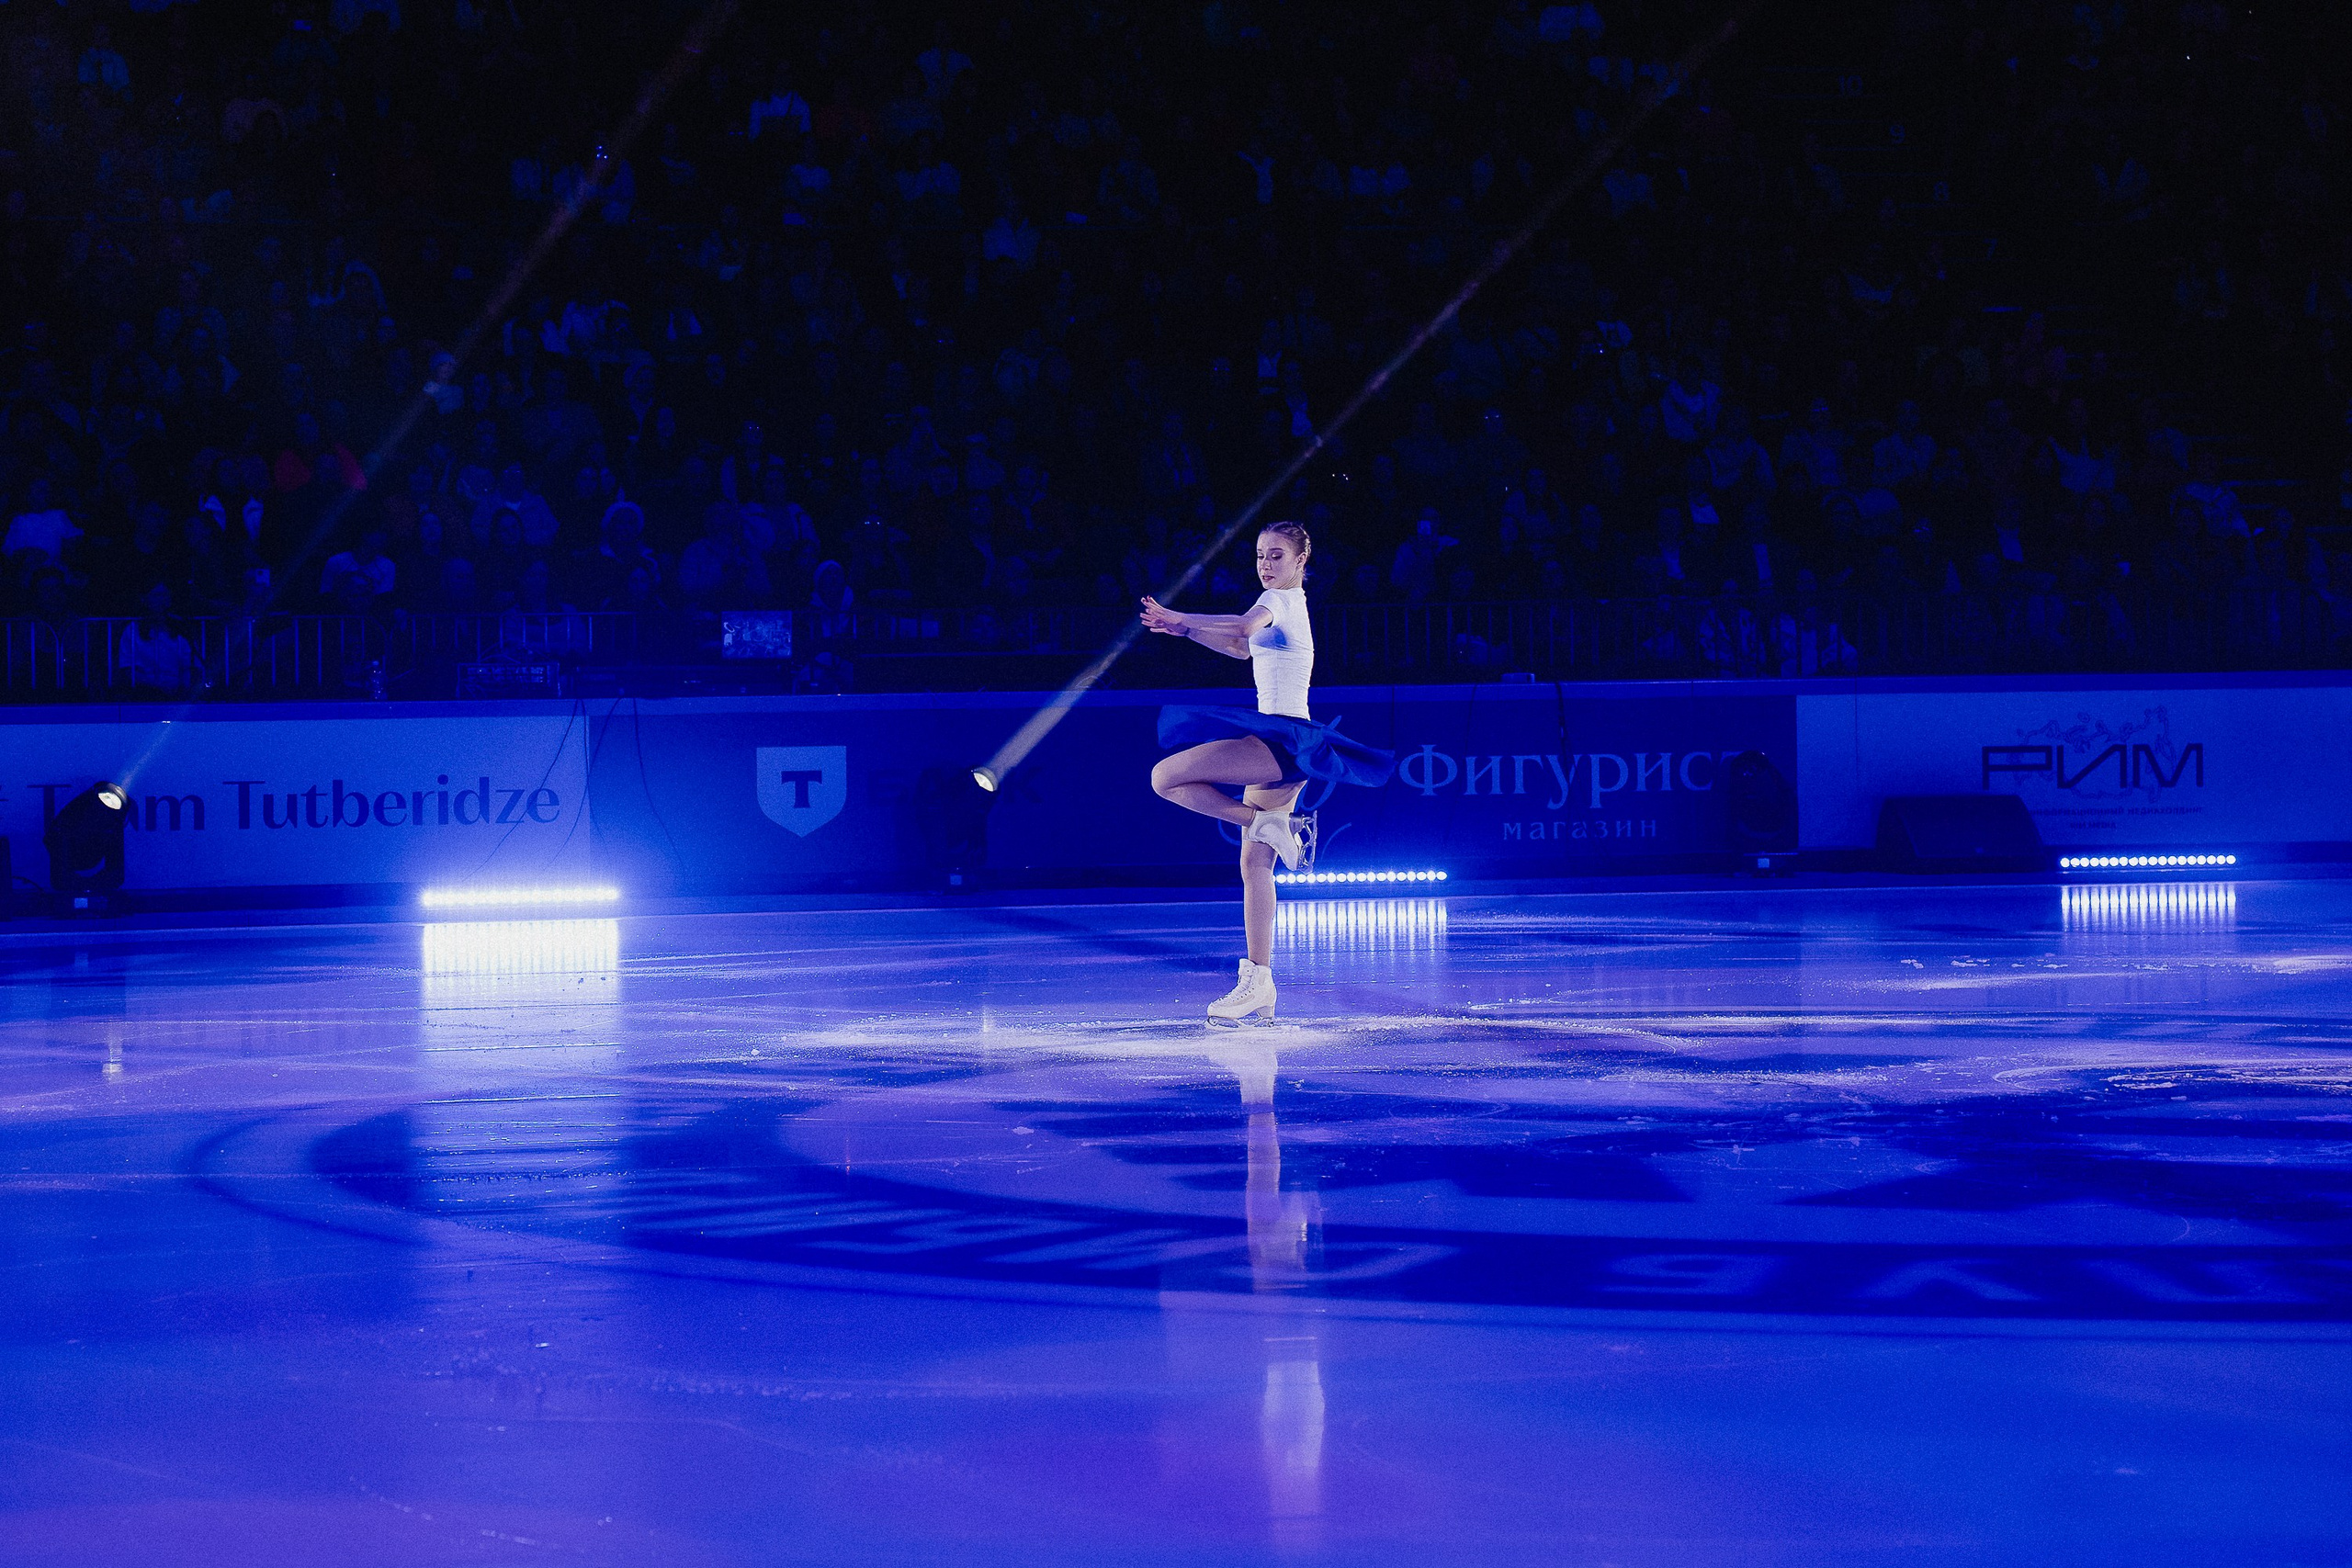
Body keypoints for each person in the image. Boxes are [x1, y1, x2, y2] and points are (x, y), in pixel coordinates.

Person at [1139, 520, 1395, 1023]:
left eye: (1276, 555)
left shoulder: (1277, 601)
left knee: (1164, 777)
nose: (1265, 564)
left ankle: (1267, 825)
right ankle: (1260, 982)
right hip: (1289, 742)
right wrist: (1187, 630)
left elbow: (1238, 627)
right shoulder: (1284, 608)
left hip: (1280, 739)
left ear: (1302, 560)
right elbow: (1241, 647)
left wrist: (1177, 612)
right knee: (1255, 866)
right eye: (1260, 555)